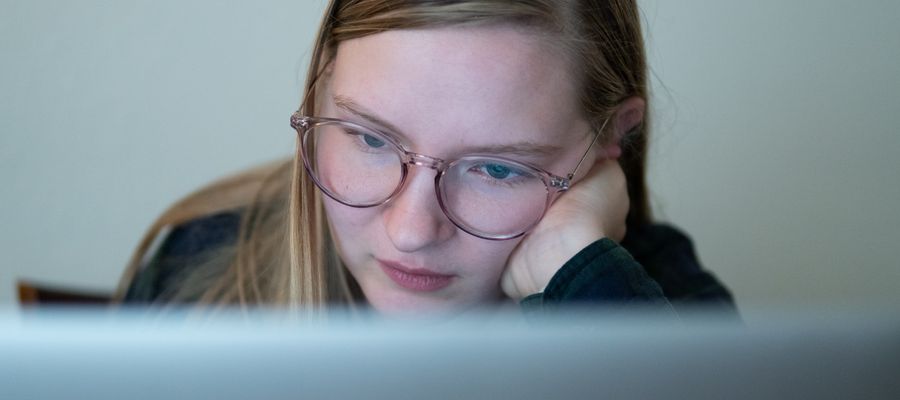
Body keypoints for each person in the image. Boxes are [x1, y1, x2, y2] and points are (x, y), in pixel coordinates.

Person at [117, 0, 735, 318]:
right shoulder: (202, 275)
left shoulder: (651, 308)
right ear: (320, 91)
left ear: (614, 135)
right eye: (371, 139)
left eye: (497, 168)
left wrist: (571, 263)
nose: (410, 233)